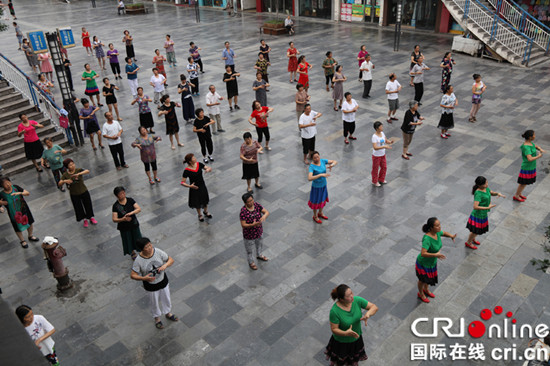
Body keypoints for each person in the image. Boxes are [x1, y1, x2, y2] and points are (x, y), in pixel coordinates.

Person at [131, 237, 178, 330]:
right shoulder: (138, 260)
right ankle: (157, 318)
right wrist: (143, 278)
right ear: (141, 249)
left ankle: (168, 313)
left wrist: (165, 265)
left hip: (163, 280)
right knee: (154, 302)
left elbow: (170, 260)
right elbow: (133, 275)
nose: (149, 248)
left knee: (166, 298)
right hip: (151, 286)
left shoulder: (158, 252)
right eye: (146, 247)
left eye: (150, 245)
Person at [325, 284, 378, 366]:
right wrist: (346, 333)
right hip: (342, 343)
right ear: (341, 299)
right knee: (341, 362)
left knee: (352, 361)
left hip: (356, 338)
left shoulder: (357, 300)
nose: (352, 296)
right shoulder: (334, 311)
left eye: (351, 293)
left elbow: (374, 307)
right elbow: (334, 329)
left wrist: (368, 314)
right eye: (348, 296)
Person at [416, 218, 456, 303]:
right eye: (437, 225)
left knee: (428, 278)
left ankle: (426, 290)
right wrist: (436, 255)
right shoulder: (427, 239)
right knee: (422, 280)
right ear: (431, 228)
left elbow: (444, 233)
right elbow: (423, 253)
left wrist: (451, 236)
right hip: (423, 263)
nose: (439, 227)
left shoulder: (437, 233)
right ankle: (421, 293)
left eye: (439, 224)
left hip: (432, 262)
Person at [465, 176, 505, 249]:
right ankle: (468, 242)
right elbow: (475, 206)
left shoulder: (485, 188)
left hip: (483, 214)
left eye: (487, 182)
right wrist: (487, 207)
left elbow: (491, 192)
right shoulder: (478, 193)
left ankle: (472, 239)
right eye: (484, 184)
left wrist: (497, 194)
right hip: (478, 215)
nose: (487, 184)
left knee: (477, 230)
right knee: (475, 231)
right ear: (479, 185)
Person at [0, 177, 39, 248]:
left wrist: (20, 193)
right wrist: (1, 202)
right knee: (17, 226)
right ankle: (22, 240)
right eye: (5, 184)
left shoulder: (16, 187)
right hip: (13, 213)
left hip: (23, 209)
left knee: (29, 222)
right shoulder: (2, 194)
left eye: (8, 182)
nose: (8, 184)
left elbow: (27, 193)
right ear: (2, 186)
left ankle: (30, 235)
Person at [59, 158, 98, 228]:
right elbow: (59, 183)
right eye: (70, 165)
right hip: (74, 194)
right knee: (78, 207)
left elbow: (87, 171)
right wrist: (65, 181)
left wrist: (78, 174)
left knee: (88, 204)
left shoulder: (78, 170)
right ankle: (84, 219)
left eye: (73, 164)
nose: (73, 166)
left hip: (83, 191)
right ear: (67, 167)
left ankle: (90, 217)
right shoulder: (65, 175)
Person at [239, 192, 269, 270]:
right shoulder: (243, 211)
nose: (251, 202)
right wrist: (253, 225)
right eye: (249, 201)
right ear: (245, 202)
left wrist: (264, 217)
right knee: (249, 250)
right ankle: (251, 262)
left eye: (252, 200)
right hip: (249, 235)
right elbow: (243, 225)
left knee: (259, 245)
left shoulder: (257, 205)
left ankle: (259, 255)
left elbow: (266, 212)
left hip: (259, 231)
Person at [514, 130, 545, 202]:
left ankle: (519, 193)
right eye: (534, 135)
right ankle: (516, 196)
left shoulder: (530, 143)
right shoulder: (526, 147)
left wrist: (540, 148)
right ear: (530, 137)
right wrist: (539, 156)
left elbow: (535, 146)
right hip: (527, 168)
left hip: (531, 167)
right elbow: (530, 158)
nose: (535, 136)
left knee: (525, 183)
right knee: (523, 183)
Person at [112, 186, 142, 259]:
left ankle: (141, 250)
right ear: (117, 196)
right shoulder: (115, 206)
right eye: (120, 194)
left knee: (138, 238)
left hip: (134, 223)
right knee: (127, 239)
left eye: (123, 192)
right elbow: (114, 219)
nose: (123, 194)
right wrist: (123, 219)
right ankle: (132, 252)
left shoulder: (130, 200)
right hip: (124, 227)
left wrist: (131, 213)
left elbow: (138, 209)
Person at [181, 153, 212, 221]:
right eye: (193, 158)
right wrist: (190, 186)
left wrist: (208, 169)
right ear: (190, 161)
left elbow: (208, 168)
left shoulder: (199, 164)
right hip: (194, 188)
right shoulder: (187, 170)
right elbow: (182, 182)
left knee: (204, 199)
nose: (195, 158)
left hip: (202, 185)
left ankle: (205, 211)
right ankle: (200, 214)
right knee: (197, 202)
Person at [308, 151, 337, 224]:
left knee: (322, 199)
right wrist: (320, 175)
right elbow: (309, 178)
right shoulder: (312, 166)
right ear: (312, 159)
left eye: (318, 156)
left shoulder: (322, 161)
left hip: (323, 185)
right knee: (315, 201)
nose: (317, 158)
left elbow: (334, 161)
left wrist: (332, 165)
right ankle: (315, 216)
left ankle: (320, 213)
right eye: (315, 158)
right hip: (316, 187)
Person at [371, 121, 393, 187]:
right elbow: (375, 147)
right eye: (381, 126)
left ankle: (381, 179)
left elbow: (386, 140)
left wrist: (390, 142)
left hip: (382, 154)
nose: (382, 127)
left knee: (384, 167)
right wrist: (384, 146)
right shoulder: (374, 137)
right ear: (377, 128)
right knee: (375, 168)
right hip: (376, 155)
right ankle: (374, 181)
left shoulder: (382, 133)